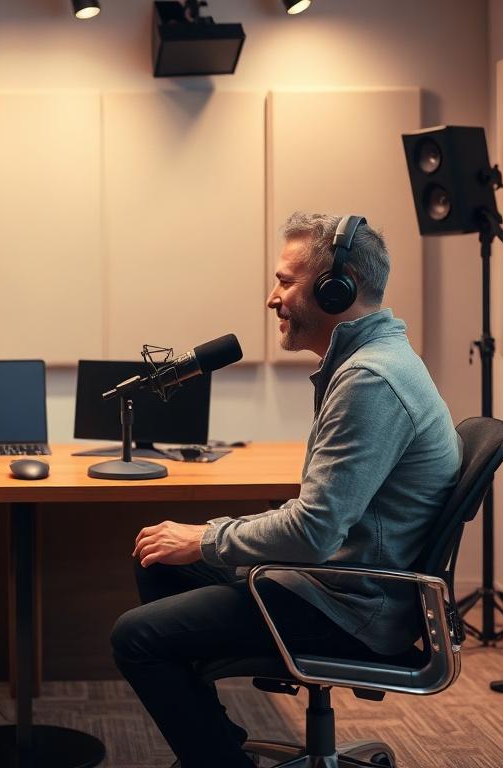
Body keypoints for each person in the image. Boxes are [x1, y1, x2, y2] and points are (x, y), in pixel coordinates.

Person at [111, 212, 462, 768]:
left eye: (284, 281)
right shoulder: (365, 363)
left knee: (136, 637)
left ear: (334, 290)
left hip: (354, 607)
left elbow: (315, 531)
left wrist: (207, 537)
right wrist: (203, 540)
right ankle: (213, 746)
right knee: (157, 556)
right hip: (342, 583)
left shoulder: (370, 380)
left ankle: (217, 758)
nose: (272, 298)